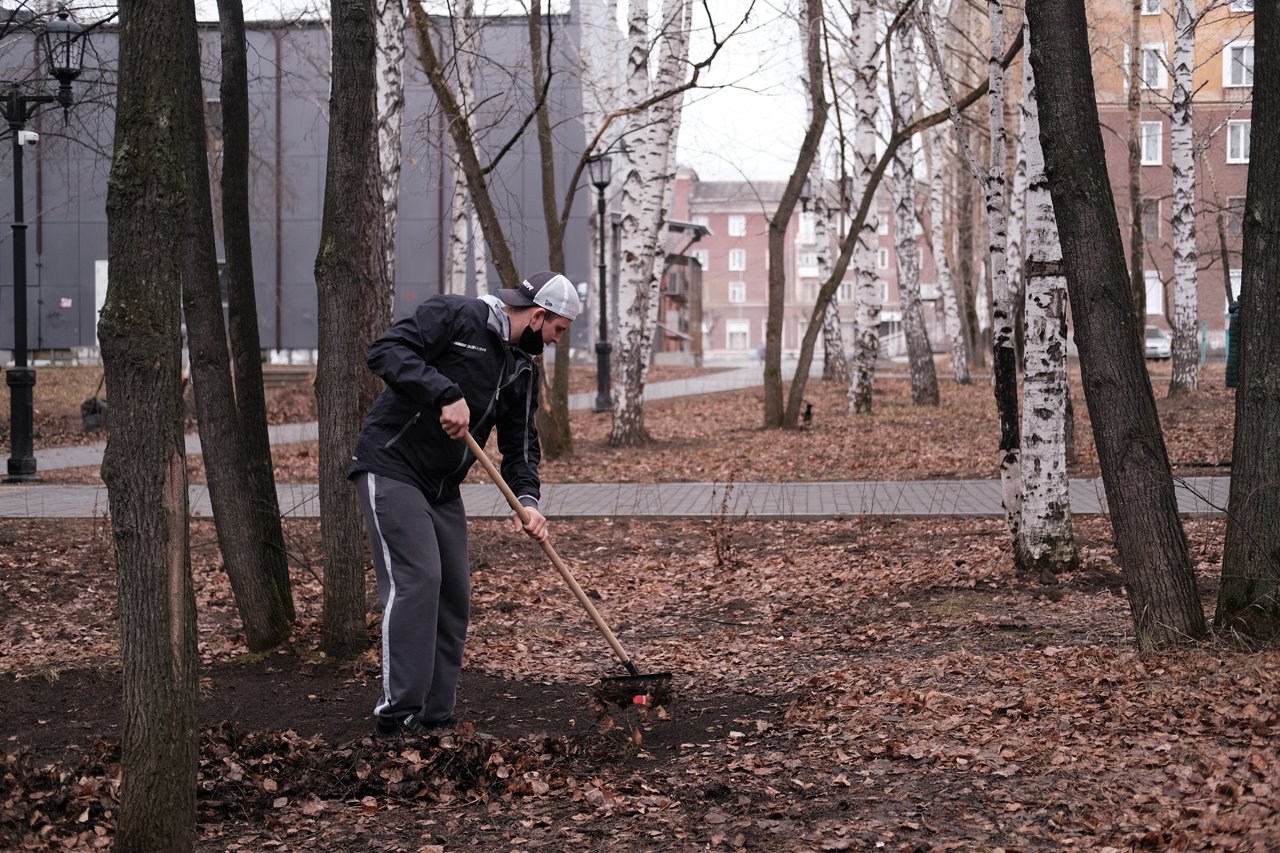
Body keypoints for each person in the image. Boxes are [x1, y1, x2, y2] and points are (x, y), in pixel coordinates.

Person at [348, 271, 580, 737]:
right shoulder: (457, 316)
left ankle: (435, 718)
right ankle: (397, 718)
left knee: (454, 594)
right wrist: (445, 393)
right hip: (393, 465)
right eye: (558, 330)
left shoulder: (522, 369)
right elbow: (385, 352)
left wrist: (529, 502)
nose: (556, 341)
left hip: (441, 485)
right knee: (419, 580)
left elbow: (520, 447)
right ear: (538, 316)